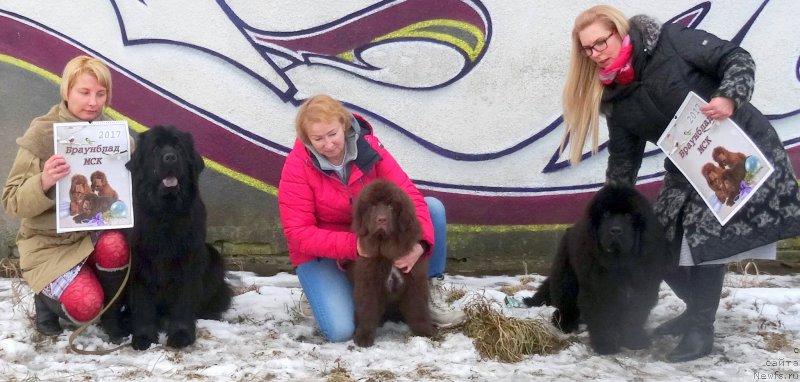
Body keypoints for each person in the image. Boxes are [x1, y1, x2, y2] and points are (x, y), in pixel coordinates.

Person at [560, 5, 800, 362]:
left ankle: (700, 329)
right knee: (658, 243)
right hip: (688, 165)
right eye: (588, 49)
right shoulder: (615, 96)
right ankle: (695, 308)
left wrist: (728, 97)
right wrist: (609, 208)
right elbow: (624, 161)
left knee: (702, 238)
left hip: (742, 151)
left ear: (620, 31)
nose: (596, 53)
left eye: (601, 42)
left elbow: (736, 57)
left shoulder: (671, 42)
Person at [278, 94, 465, 342]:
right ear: (306, 139)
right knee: (341, 330)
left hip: (374, 236)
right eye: (318, 139)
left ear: (344, 126)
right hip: (324, 253)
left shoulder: (370, 149)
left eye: (332, 134)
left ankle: (429, 286)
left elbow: (410, 196)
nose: (328, 144)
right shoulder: (298, 165)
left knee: (432, 208)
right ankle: (320, 293)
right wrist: (354, 245)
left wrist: (420, 246)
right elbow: (298, 233)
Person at [2, 55, 131, 341]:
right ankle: (45, 303)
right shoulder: (43, 132)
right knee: (85, 306)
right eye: (84, 92)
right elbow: (11, 201)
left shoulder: (114, 135)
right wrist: (44, 181)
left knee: (116, 244)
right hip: (51, 245)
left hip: (94, 238)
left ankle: (110, 314)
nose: (93, 102)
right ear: (67, 92)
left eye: (101, 94)